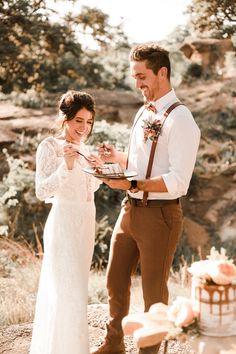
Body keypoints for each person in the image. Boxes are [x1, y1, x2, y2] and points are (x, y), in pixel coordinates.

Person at [91, 43, 200, 354]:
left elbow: (178, 182)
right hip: (130, 210)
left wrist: (132, 183)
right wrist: (117, 159)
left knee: (153, 291)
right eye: (134, 76)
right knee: (114, 279)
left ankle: (150, 352)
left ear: (162, 73)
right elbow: (140, 165)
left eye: (142, 76)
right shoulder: (143, 112)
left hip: (161, 216)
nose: (137, 83)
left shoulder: (182, 121)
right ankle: (113, 345)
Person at [30, 90, 102, 354]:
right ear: (65, 119)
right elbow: (41, 191)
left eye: (89, 122)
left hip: (86, 223)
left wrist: (97, 168)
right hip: (63, 224)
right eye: (78, 121)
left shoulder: (85, 148)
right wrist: (66, 166)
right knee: (64, 290)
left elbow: (89, 189)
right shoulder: (49, 146)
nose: (84, 128)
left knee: (77, 290)